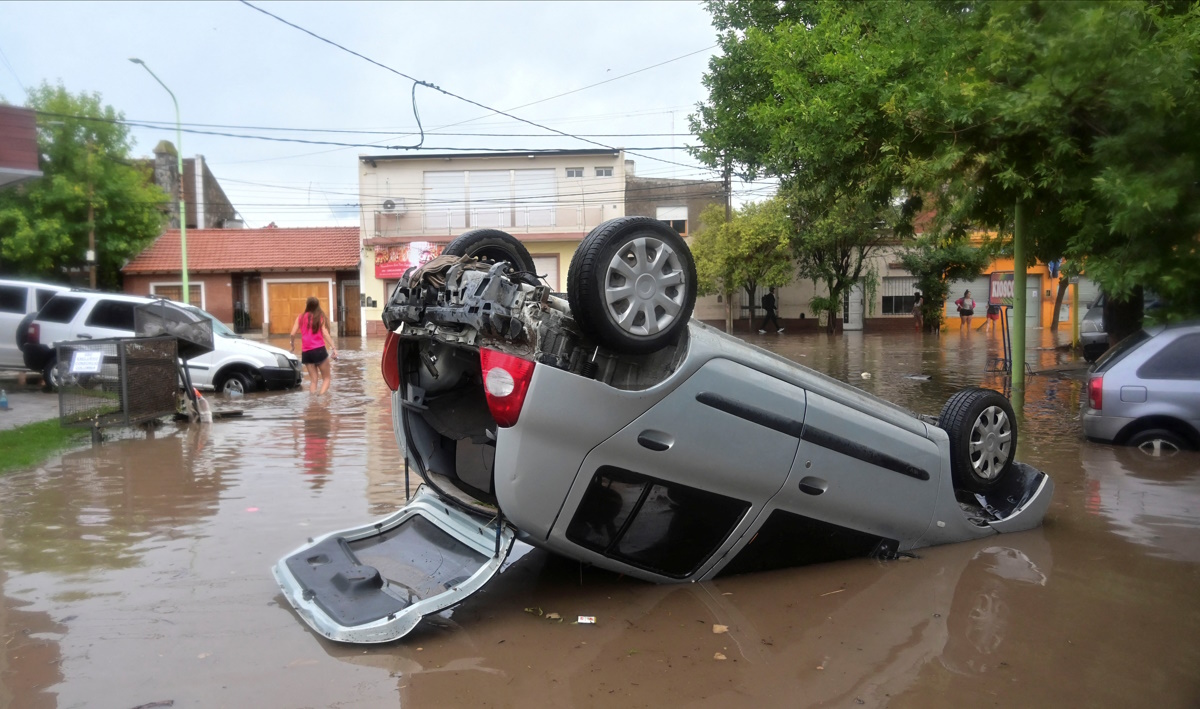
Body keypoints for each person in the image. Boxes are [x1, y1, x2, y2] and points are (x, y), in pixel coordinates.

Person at [290, 297, 338, 394]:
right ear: (317, 306)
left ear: (307, 305)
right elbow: (325, 333)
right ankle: (320, 398)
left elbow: (292, 334)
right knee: (327, 378)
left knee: (313, 380)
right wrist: (334, 348)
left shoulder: (300, 317)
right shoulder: (319, 317)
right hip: (319, 350)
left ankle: (313, 404)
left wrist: (292, 345)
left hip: (306, 352)